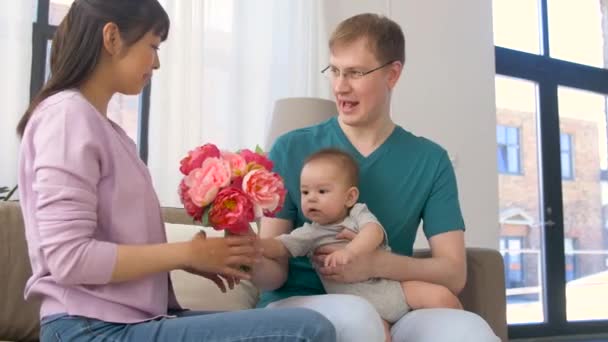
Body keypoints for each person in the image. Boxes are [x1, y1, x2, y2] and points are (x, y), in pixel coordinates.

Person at [16, 1, 336, 341]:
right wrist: (185, 252)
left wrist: (187, 261)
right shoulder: (67, 117)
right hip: (89, 328)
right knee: (306, 330)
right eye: (152, 46)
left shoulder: (103, 128)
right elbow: (69, 259)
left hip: (121, 320)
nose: (156, 62)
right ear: (111, 38)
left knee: (305, 323)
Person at [250, 13, 500, 342]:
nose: (340, 86)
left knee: (469, 331)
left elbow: (453, 273)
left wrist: (374, 265)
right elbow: (274, 272)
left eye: (355, 72)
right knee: (358, 317)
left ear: (392, 74)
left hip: (388, 302)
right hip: (297, 307)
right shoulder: (291, 148)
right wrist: (249, 252)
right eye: (335, 71)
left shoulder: (430, 159)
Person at [262, 148, 463, 341]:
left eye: (322, 191)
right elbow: (282, 245)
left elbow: (373, 231)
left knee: (441, 296)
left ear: (350, 197)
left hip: (392, 288)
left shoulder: (358, 213)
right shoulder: (310, 233)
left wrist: (350, 251)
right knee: (373, 333)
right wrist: (257, 246)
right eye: (305, 192)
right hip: (360, 305)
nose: (311, 198)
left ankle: (465, 329)